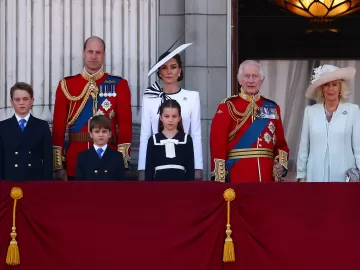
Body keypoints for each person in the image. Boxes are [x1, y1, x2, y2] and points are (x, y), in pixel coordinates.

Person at [52, 36, 132, 180]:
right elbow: (58, 127)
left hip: (110, 159)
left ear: (104, 55)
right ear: (83, 53)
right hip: (75, 160)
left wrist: (123, 162)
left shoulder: (119, 84)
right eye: (90, 52)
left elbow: (125, 126)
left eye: (98, 52)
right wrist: (58, 165)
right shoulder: (67, 85)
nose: (94, 56)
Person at [209, 60, 289, 182]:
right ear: (239, 79)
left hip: (267, 177)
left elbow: (281, 144)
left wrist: (281, 165)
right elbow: (217, 144)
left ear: (261, 80)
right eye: (247, 76)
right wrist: (220, 179)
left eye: (255, 76)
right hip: (238, 177)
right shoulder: (228, 106)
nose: (251, 80)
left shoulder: (272, 107)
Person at [138, 42, 203, 180]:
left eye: (173, 67)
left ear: (180, 70)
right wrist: (142, 168)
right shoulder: (150, 97)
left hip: (183, 159)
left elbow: (196, 134)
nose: (169, 71)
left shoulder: (192, 97)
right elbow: (145, 134)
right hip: (157, 161)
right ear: (159, 72)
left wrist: (197, 166)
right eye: (164, 67)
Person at [297, 64, 360, 182]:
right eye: (326, 85)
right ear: (321, 89)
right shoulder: (310, 111)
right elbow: (304, 147)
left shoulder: (353, 111)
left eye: (335, 84)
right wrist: (301, 175)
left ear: (341, 88)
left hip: (344, 176)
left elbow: (358, 147)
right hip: (315, 175)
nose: (330, 89)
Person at [0, 82, 53, 181]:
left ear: (32, 101)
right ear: (11, 102)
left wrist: (47, 184)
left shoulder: (42, 126)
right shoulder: (2, 127)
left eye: (25, 99)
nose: (21, 103)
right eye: (17, 99)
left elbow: (48, 159)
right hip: (10, 181)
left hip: (35, 181)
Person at [145, 99, 195, 180]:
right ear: (161, 117)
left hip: (180, 185)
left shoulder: (186, 139)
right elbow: (149, 170)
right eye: (166, 116)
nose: (170, 120)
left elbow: (190, 169)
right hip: (159, 186)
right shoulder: (153, 140)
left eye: (174, 116)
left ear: (179, 118)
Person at [75, 115, 125, 180]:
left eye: (104, 131)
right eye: (97, 131)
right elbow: (79, 184)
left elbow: (120, 184)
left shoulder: (117, 156)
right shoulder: (82, 156)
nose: (101, 135)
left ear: (109, 134)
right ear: (91, 134)